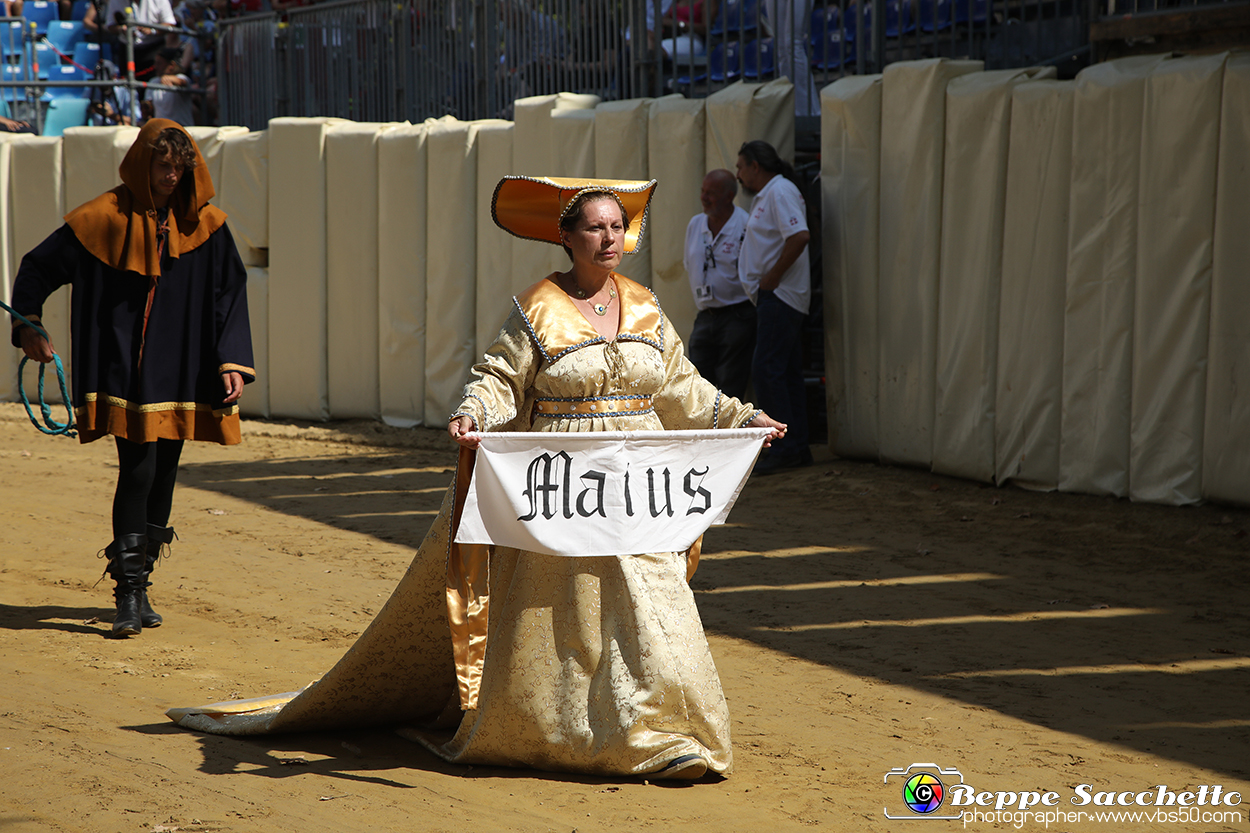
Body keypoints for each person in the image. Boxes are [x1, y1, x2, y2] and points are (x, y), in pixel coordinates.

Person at [166, 176, 785, 781]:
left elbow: (683, 387)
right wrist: (473, 413)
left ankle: (671, 733)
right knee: (573, 613)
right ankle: (577, 733)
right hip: (562, 486)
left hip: (640, 482)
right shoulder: (538, 308)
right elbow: (499, 380)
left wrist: (744, 416)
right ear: (565, 237)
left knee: (656, 598)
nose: (608, 238)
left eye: (617, 227)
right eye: (595, 227)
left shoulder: (646, 304)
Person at [9, 120, 254, 638]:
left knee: (165, 473)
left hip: (184, 368)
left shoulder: (206, 225)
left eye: (178, 168)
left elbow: (230, 292)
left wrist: (231, 360)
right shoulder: (101, 218)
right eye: (162, 166)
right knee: (137, 472)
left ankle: (141, 582)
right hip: (122, 368)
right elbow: (36, 268)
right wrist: (28, 325)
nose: (170, 177)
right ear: (143, 164)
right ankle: (128, 594)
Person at [736, 139, 812, 474]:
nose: (739, 174)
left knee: (767, 369)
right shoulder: (770, 194)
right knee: (785, 372)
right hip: (776, 295)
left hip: (780, 296)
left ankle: (785, 449)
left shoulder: (779, 191)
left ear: (755, 165)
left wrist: (772, 278)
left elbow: (800, 236)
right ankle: (797, 446)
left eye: (741, 167)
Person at [684, 168, 753, 400]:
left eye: (711, 192)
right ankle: (704, 434)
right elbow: (689, 263)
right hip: (706, 315)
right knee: (698, 380)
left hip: (738, 315)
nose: (704, 197)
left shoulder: (745, 225)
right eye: (703, 191)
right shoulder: (696, 224)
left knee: (730, 380)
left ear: (728, 196)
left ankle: (728, 434)